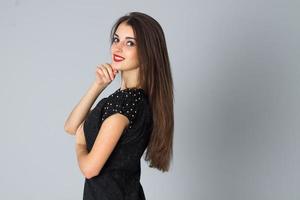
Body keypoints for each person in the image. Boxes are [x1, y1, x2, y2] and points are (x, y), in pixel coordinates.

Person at [64, 11, 174, 200]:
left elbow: (90, 169)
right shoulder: (132, 100)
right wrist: (98, 85)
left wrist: (80, 145)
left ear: (148, 51)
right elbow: (72, 126)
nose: (118, 48)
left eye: (130, 43)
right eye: (116, 39)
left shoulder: (125, 104)